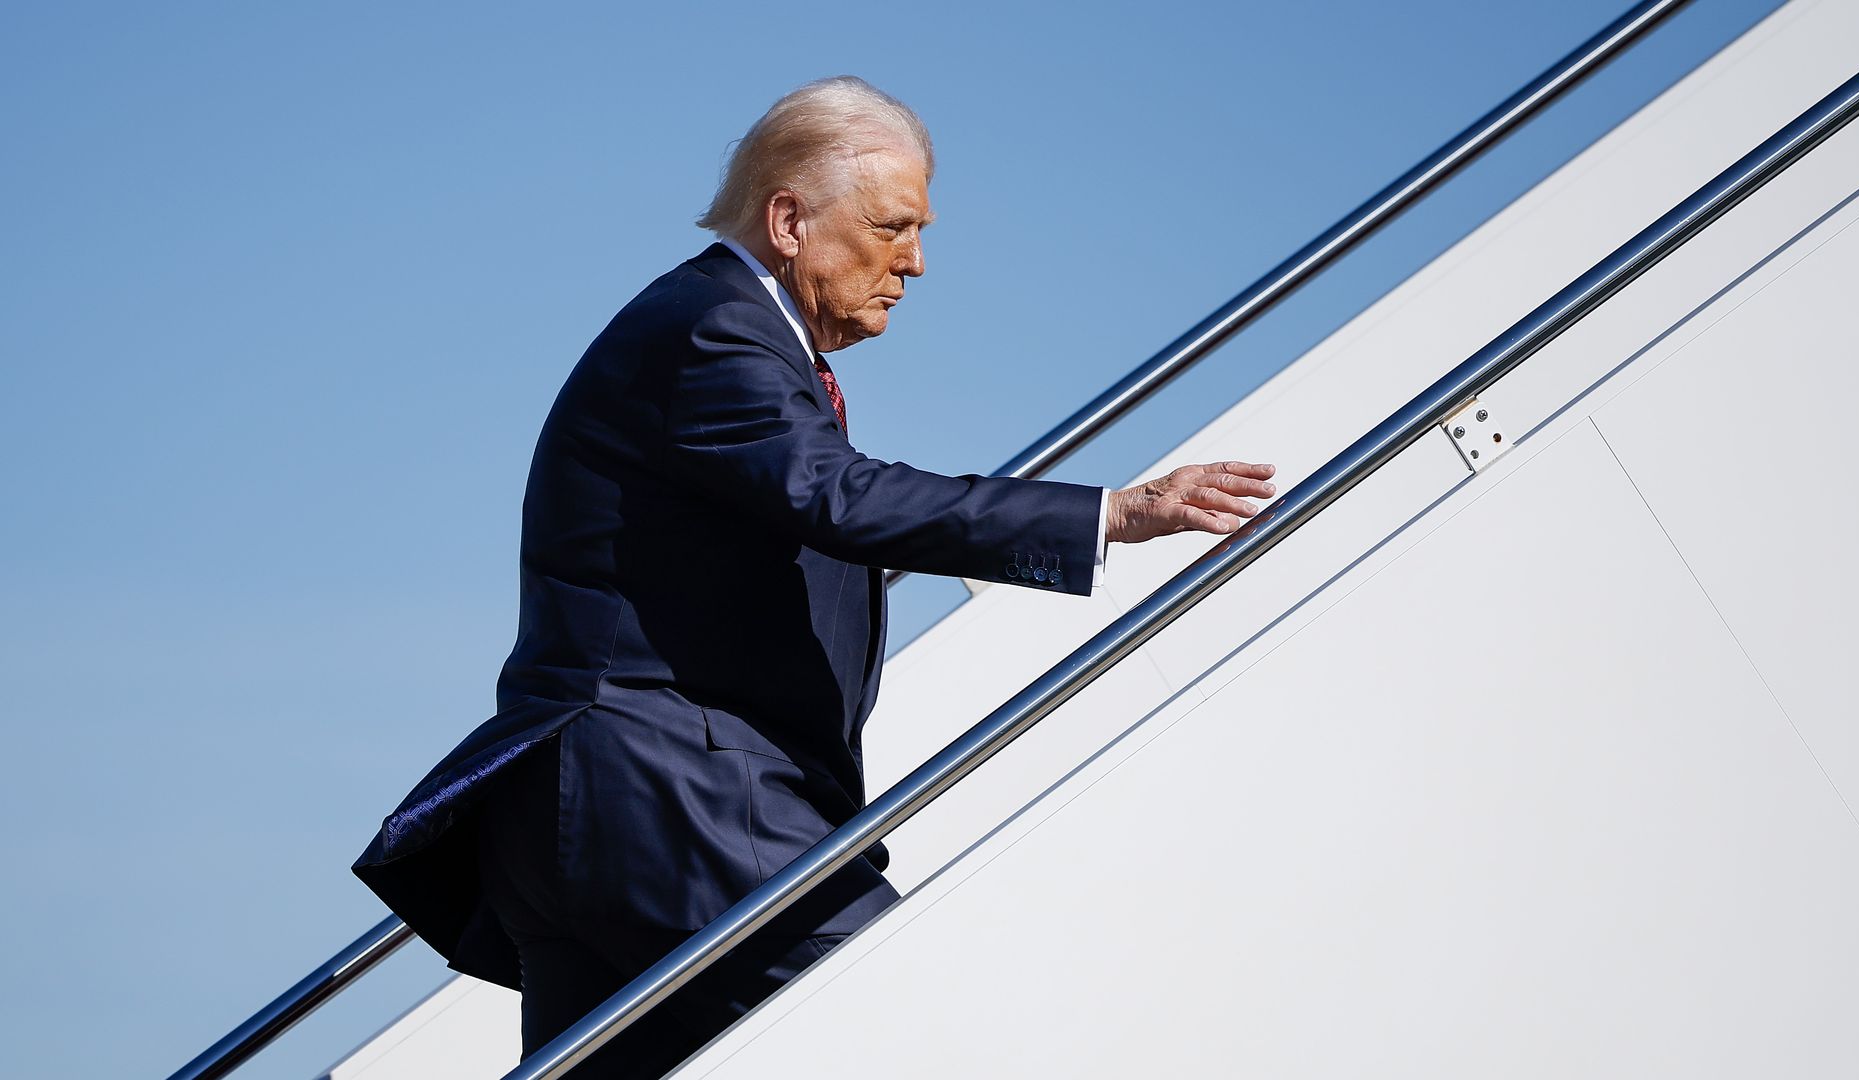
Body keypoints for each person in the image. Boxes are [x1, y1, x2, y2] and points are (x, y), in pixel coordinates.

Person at [351, 75, 1275, 1077]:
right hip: (669, 794)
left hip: (585, 816)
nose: (915, 263)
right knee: (896, 1016)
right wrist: (1109, 514)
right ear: (789, 220)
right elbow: (840, 496)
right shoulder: (717, 329)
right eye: (892, 227)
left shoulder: (723, 334)